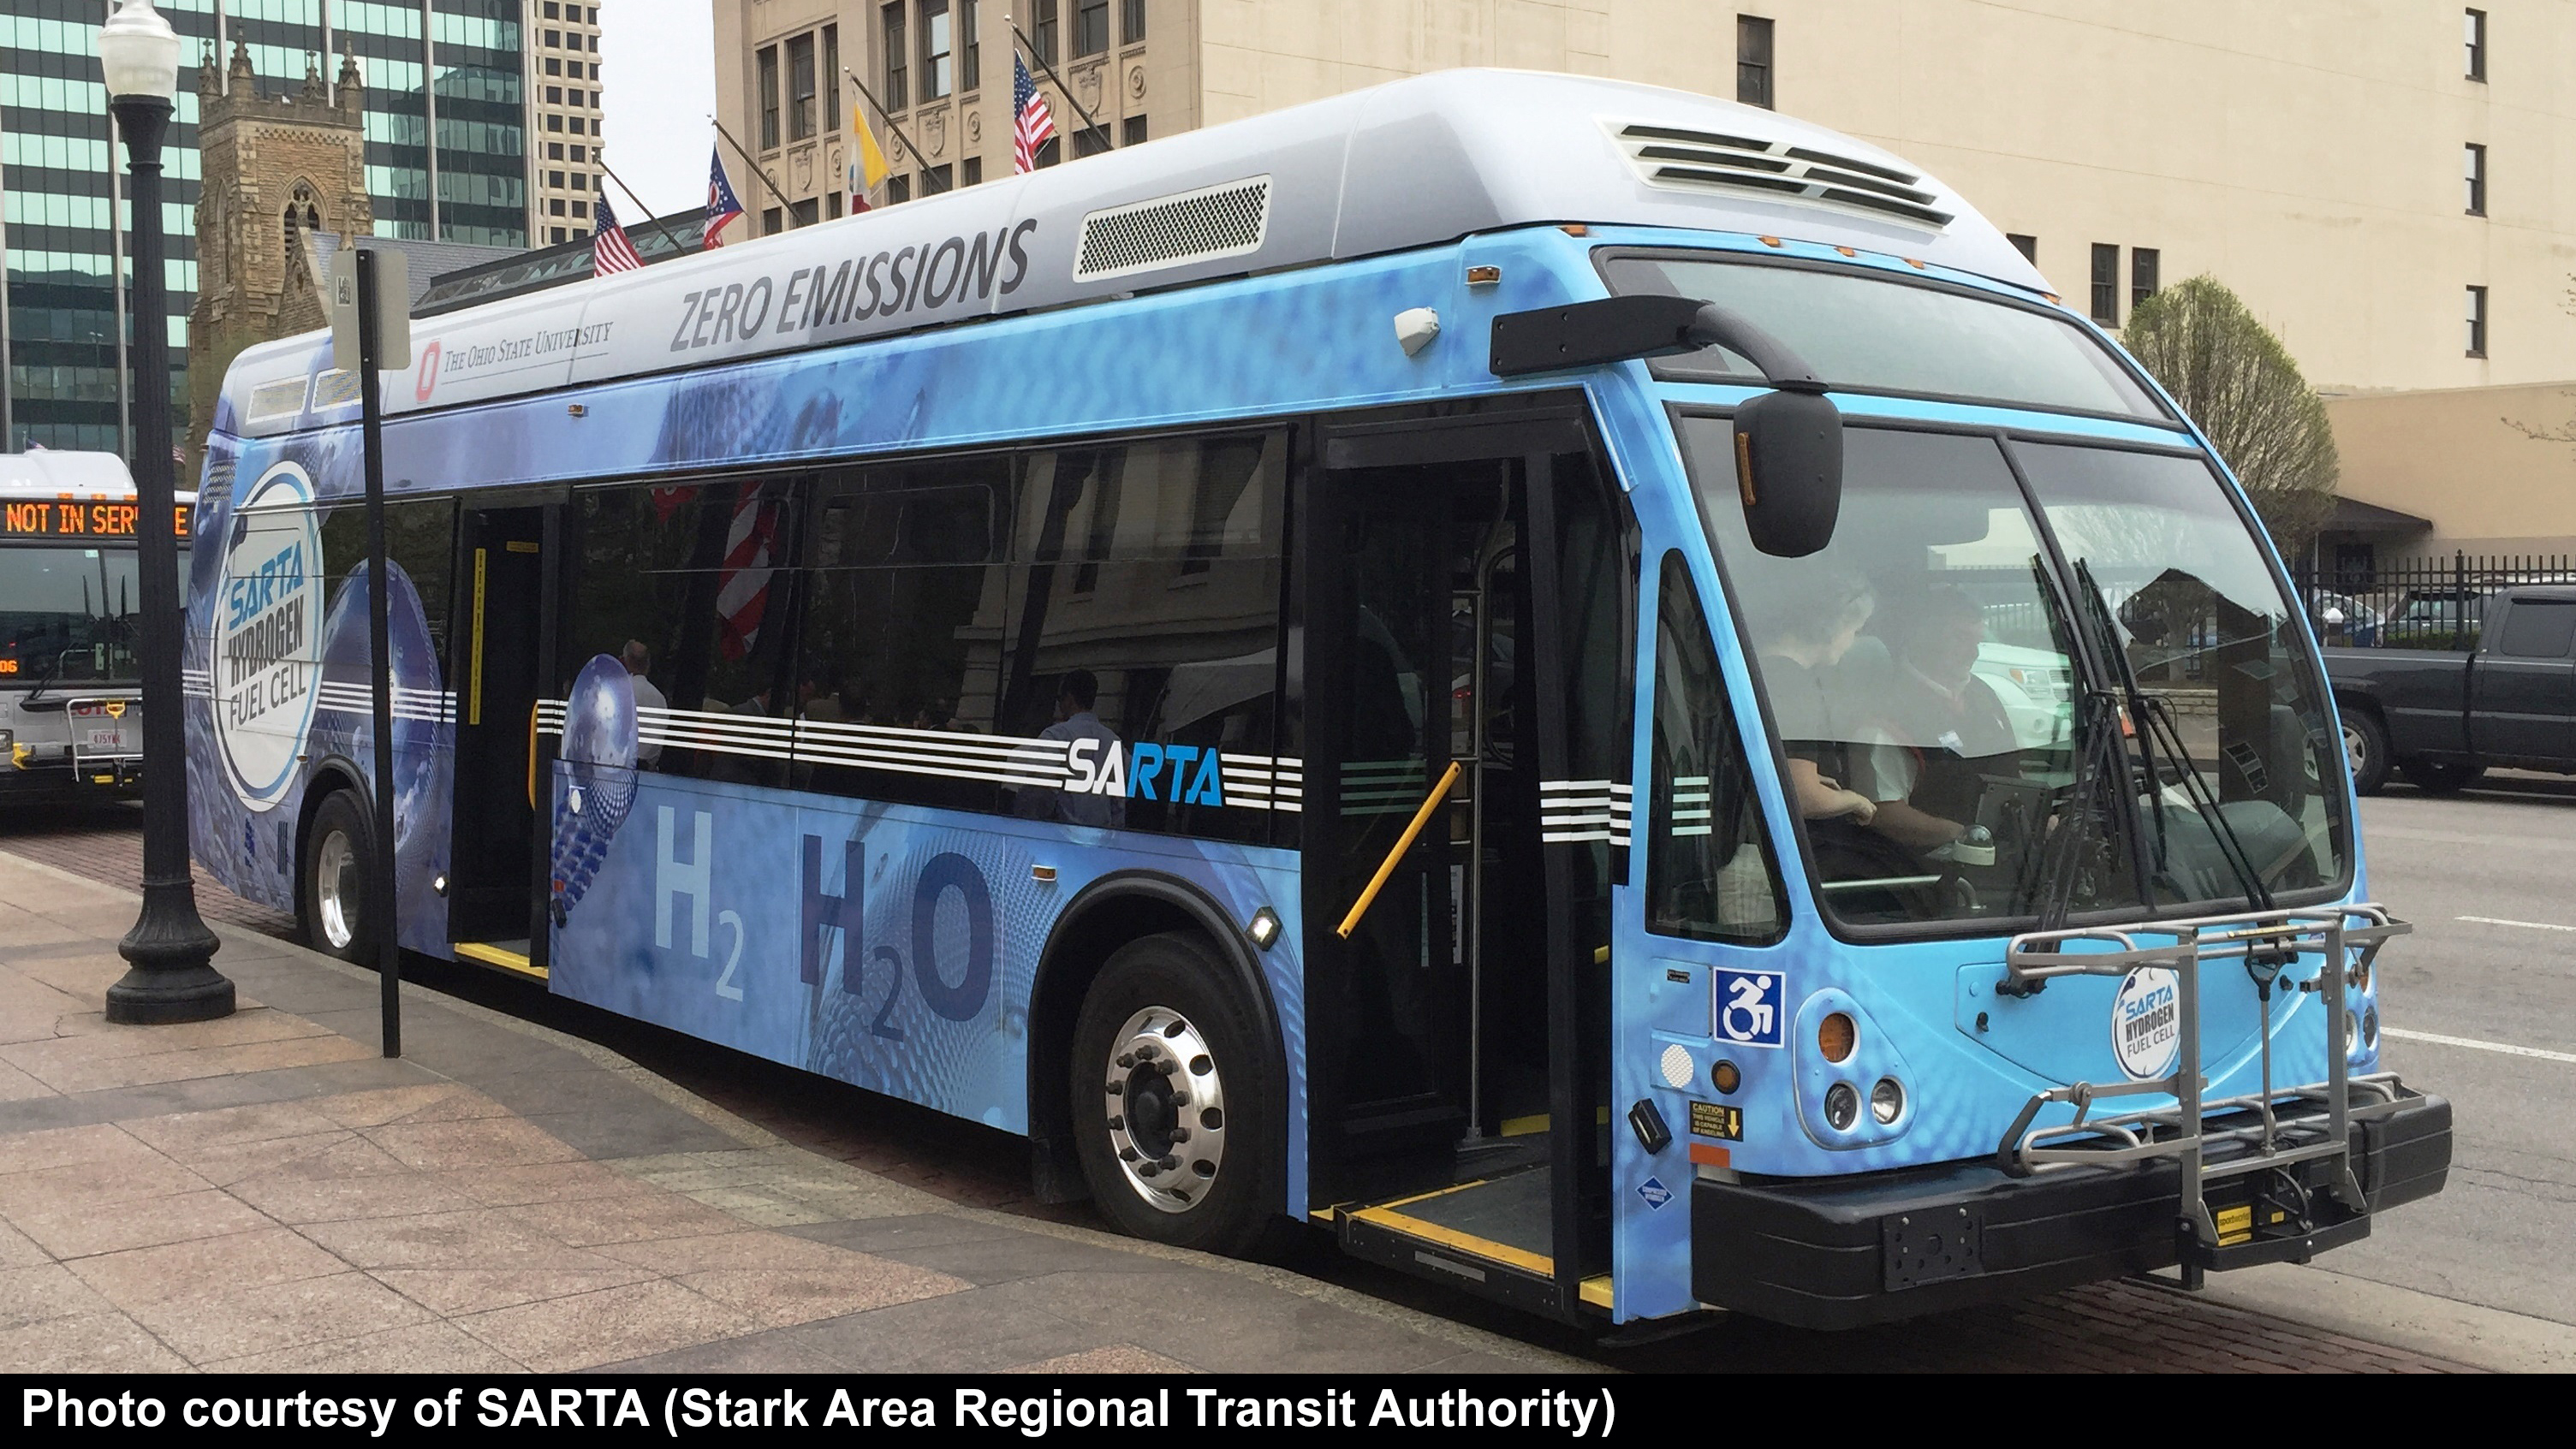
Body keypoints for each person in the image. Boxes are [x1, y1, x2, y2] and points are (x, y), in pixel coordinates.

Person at [1853, 588, 2021, 858]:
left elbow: (2011, 773)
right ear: (1922, 634)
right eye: (1960, 638)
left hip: (2008, 863)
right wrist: (1961, 835)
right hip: (1924, 874)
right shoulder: (1888, 709)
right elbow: (1881, 811)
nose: (1973, 653)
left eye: (1977, 641)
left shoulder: (1984, 695)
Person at [1753, 572, 1878, 827]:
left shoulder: (1760, 667)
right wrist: (1854, 800)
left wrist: (1811, 777)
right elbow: (1803, 798)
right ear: (1834, 624)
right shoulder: (1793, 686)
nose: (1852, 641)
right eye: (1855, 630)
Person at [1019, 669, 1124, 828]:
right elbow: (1119, 804)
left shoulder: (1055, 736)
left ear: (1069, 699)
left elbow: (1038, 795)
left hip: (1061, 838)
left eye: (1060, 699)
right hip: (1102, 841)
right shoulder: (1115, 742)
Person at [621, 640, 665, 767]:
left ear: (625, 660)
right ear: (647, 665)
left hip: (619, 768)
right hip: (647, 772)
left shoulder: (619, 692)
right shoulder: (660, 698)